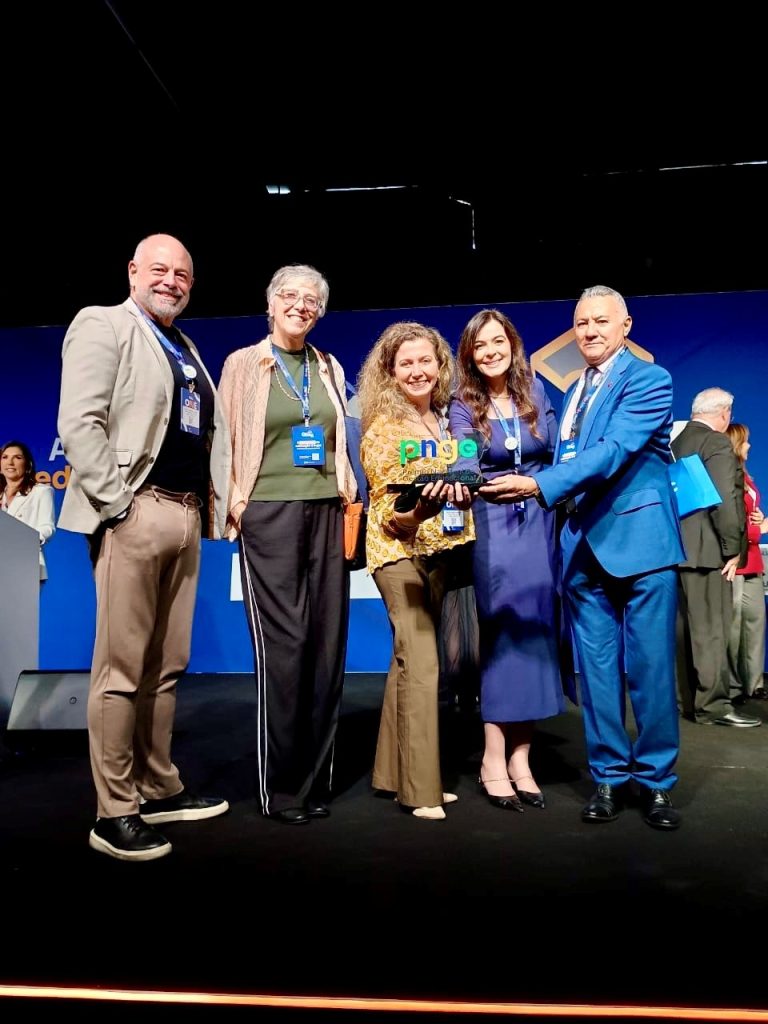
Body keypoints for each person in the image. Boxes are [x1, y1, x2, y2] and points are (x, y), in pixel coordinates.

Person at [480, 285, 685, 830]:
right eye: (581, 323)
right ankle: (609, 778)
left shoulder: (649, 379)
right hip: (581, 548)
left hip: (641, 547)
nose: (589, 331)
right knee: (594, 675)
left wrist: (536, 484)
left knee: (651, 671)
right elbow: (572, 450)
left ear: (626, 326)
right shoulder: (573, 392)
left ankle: (657, 784)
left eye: (600, 321)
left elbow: (613, 451)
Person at [57, 233, 232, 861]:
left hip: (186, 517)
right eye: (159, 269)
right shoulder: (102, 324)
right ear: (133, 270)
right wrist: (119, 507)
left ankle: (157, 787)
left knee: (167, 666)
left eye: (182, 273)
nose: (172, 280)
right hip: (135, 510)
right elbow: (79, 422)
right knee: (121, 671)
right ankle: (113, 812)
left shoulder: (182, 345)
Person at [218, 264, 357, 826]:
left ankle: (314, 779)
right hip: (268, 512)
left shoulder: (327, 365)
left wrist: (346, 492)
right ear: (270, 304)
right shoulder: (243, 364)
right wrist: (236, 504)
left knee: (325, 646)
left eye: (311, 300)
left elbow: (336, 439)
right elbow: (223, 440)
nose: (301, 306)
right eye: (290, 297)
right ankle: (281, 789)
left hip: (326, 509)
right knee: (286, 648)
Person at [449, 310, 568, 811]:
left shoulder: (535, 393)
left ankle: (523, 756)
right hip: (494, 525)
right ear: (471, 355)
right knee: (502, 636)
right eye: (482, 345)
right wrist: (464, 475)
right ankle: (493, 757)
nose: (492, 351)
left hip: (541, 524)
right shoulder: (463, 403)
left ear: (513, 345)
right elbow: (462, 458)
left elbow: (558, 454)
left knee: (537, 635)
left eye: (499, 341)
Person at [358, 321, 474, 821]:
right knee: (424, 659)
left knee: (407, 662)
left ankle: (390, 774)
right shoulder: (384, 426)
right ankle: (421, 790)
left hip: (442, 555)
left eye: (425, 360)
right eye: (405, 363)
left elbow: (468, 476)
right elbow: (388, 511)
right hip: (397, 555)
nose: (417, 370)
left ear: (440, 365)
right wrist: (416, 514)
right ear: (390, 371)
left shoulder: (450, 422)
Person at [672, 390, 760, 727]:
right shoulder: (718, 443)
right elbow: (725, 501)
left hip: (678, 551)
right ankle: (714, 707)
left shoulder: (675, 444)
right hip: (709, 553)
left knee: (683, 632)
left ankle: (687, 702)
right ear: (724, 413)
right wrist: (732, 549)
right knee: (711, 631)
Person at [725, 423, 768, 702]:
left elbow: (749, 512)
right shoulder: (727, 475)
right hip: (734, 560)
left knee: (755, 620)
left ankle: (753, 682)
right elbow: (732, 520)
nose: (750, 446)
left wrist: (759, 518)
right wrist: (760, 528)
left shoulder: (747, 476)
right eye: (746, 441)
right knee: (733, 625)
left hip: (752, 560)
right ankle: (732, 685)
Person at [0, 440, 55, 582]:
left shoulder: (41, 492)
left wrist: (27, 540)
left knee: (14, 605)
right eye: (5, 457)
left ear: (27, 465)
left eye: (17, 458)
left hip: (26, 564)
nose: (10, 462)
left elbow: (47, 527)